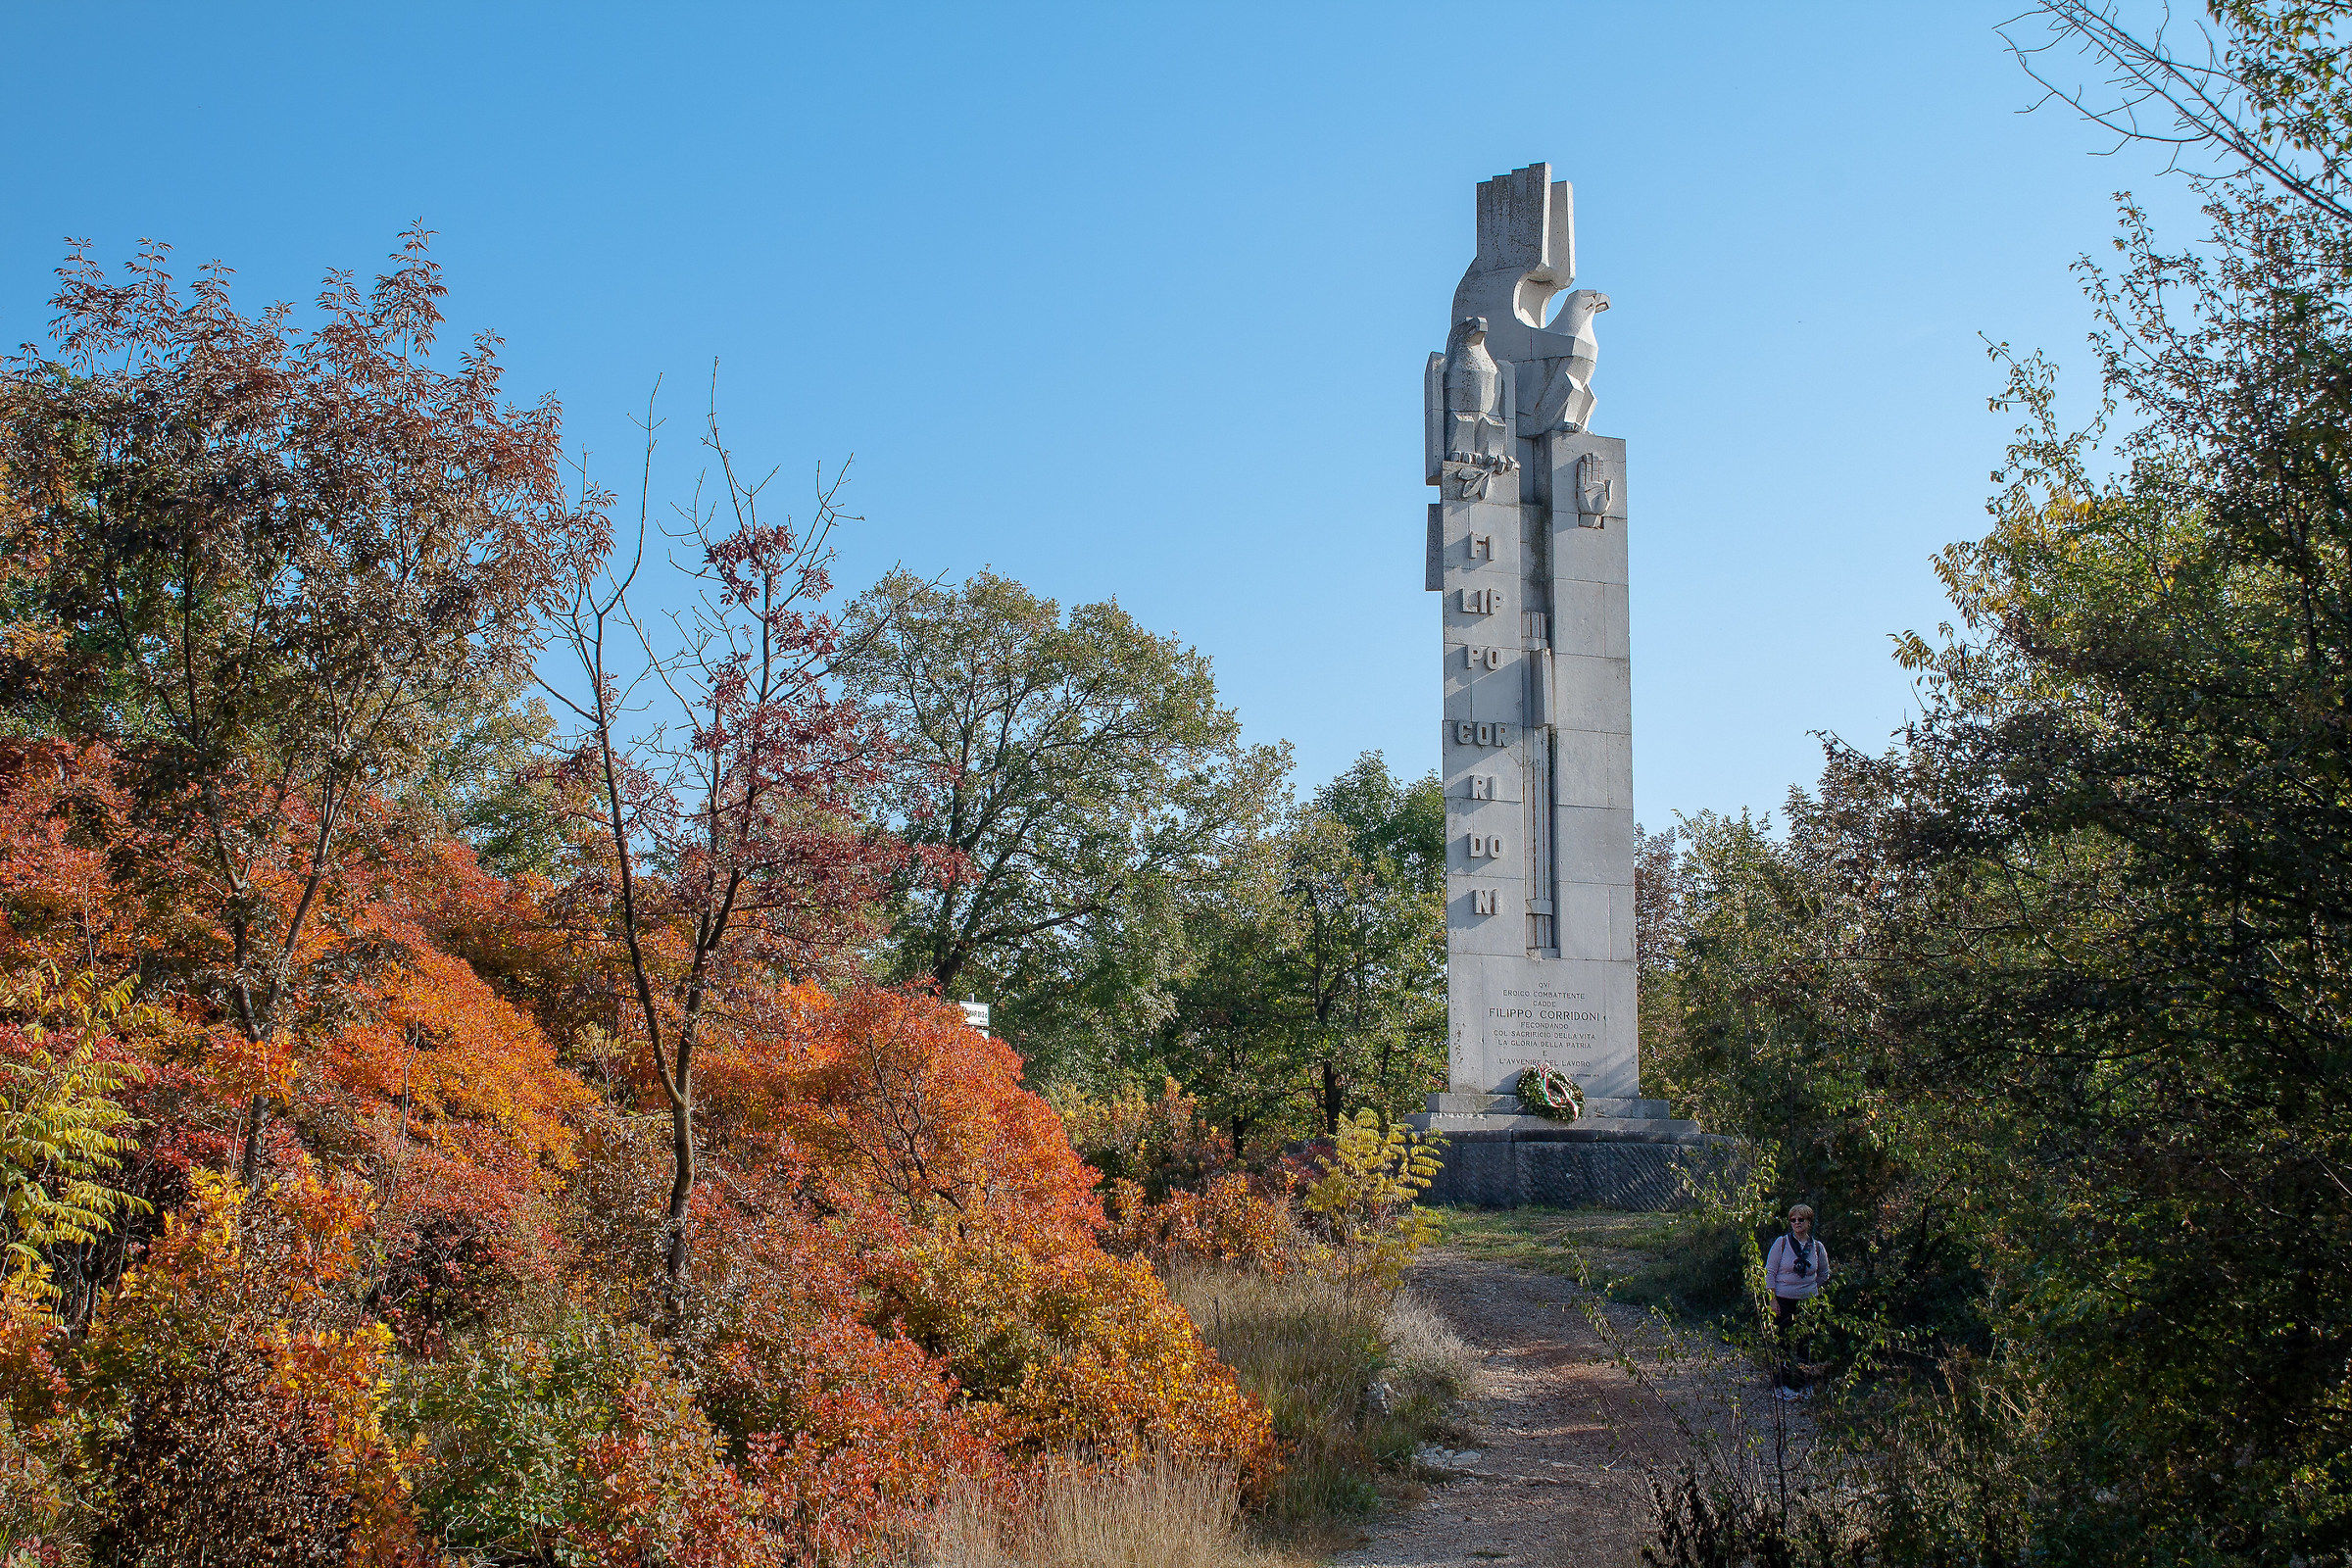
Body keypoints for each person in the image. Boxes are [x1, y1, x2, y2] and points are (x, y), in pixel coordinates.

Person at [1764, 1203, 1829, 1400]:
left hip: (1807, 1303)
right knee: (1782, 1342)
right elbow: (1770, 1272)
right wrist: (1772, 1300)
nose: (1797, 1223)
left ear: (1809, 1222)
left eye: (1801, 1219)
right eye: (1793, 1219)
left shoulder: (1817, 1247)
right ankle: (1781, 1387)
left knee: (1804, 1344)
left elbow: (1824, 1274)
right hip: (1783, 1301)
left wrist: (1808, 1289)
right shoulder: (1782, 1243)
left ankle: (1803, 1386)